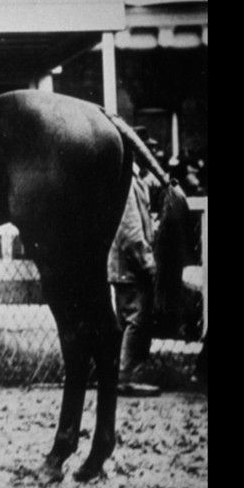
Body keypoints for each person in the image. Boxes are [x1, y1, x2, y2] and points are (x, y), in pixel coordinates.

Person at [107, 154, 163, 398]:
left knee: (126, 319)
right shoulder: (128, 181)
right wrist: (148, 265)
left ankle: (121, 375)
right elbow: (130, 232)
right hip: (129, 264)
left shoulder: (129, 176)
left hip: (123, 263)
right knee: (135, 320)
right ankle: (126, 378)